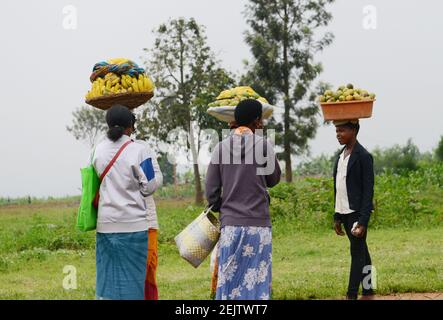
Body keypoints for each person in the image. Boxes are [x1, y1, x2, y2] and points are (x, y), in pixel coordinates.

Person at [205, 99, 281, 300]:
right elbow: (273, 180)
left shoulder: (220, 148)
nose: (262, 124)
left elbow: (211, 192)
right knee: (257, 282)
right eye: (261, 120)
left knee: (230, 283)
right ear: (256, 121)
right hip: (258, 227)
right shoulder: (263, 146)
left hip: (231, 227)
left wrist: (224, 206)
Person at [92, 105, 162, 300]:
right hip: (134, 225)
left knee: (108, 279)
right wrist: (158, 176)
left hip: (105, 225)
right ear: (130, 126)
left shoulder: (97, 151)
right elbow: (149, 186)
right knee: (132, 281)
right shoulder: (139, 150)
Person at [332, 120, 375, 300]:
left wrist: (363, 220)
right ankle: (368, 289)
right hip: (344, 212)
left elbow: (368, 190)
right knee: (362, 251)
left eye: (342, 130)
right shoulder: (341, 156)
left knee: (356, 253)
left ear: (354, 130)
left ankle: (351, 294)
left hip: (357, 213)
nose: (338, 134)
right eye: (336, 131)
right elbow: (338, 188)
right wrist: (337, 216)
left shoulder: (363, 156)